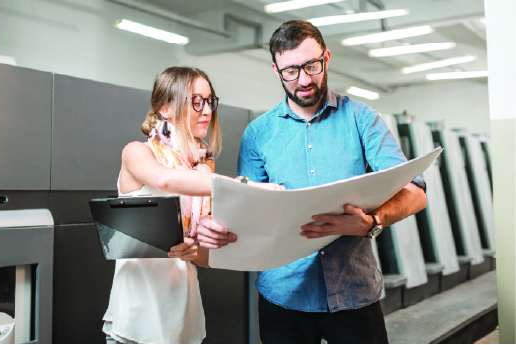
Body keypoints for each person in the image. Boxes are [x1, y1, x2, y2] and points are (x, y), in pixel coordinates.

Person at [197, 20, 427, 344]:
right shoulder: (258, 134)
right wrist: (216, 225)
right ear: (276, 71)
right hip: (283, 296)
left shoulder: (362, 119)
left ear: (327, 58)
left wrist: (372, 222)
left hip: (354, 293)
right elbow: (247, 210)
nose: (304, 79)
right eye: (291, 70)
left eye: (311, 66)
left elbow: (415, 192)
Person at [102, 66, 282, 344]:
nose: (207, 110)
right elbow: (163, 180)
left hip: (182, 320)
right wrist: (248, 186)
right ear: (165, 109)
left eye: (209, 101)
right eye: (195, 101)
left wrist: (197, 249)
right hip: (136, 320)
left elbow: (206, 258)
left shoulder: (202, 171)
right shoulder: (137, 152)